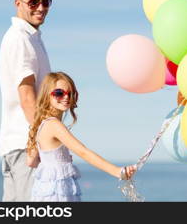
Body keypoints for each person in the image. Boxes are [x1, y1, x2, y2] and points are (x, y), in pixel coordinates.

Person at [26, 72, 136, 201]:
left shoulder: (41, 125)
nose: (66, 97)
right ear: (47, 95)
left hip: (45, 191)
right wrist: (117, 171)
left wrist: (58, 159)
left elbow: (31, 161)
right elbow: (82, 152)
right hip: (58, 193)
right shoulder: (54, 125)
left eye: (71, 93)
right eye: (59, 93)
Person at [0, 0, 52, 201]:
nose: (40, 8)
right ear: (18, 3)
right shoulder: (21, 39)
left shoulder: (29, 38)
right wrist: (43, 140)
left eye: (45, 2)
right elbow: (27, 97)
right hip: (28, 147)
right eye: (33, 2)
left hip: (17, 144)